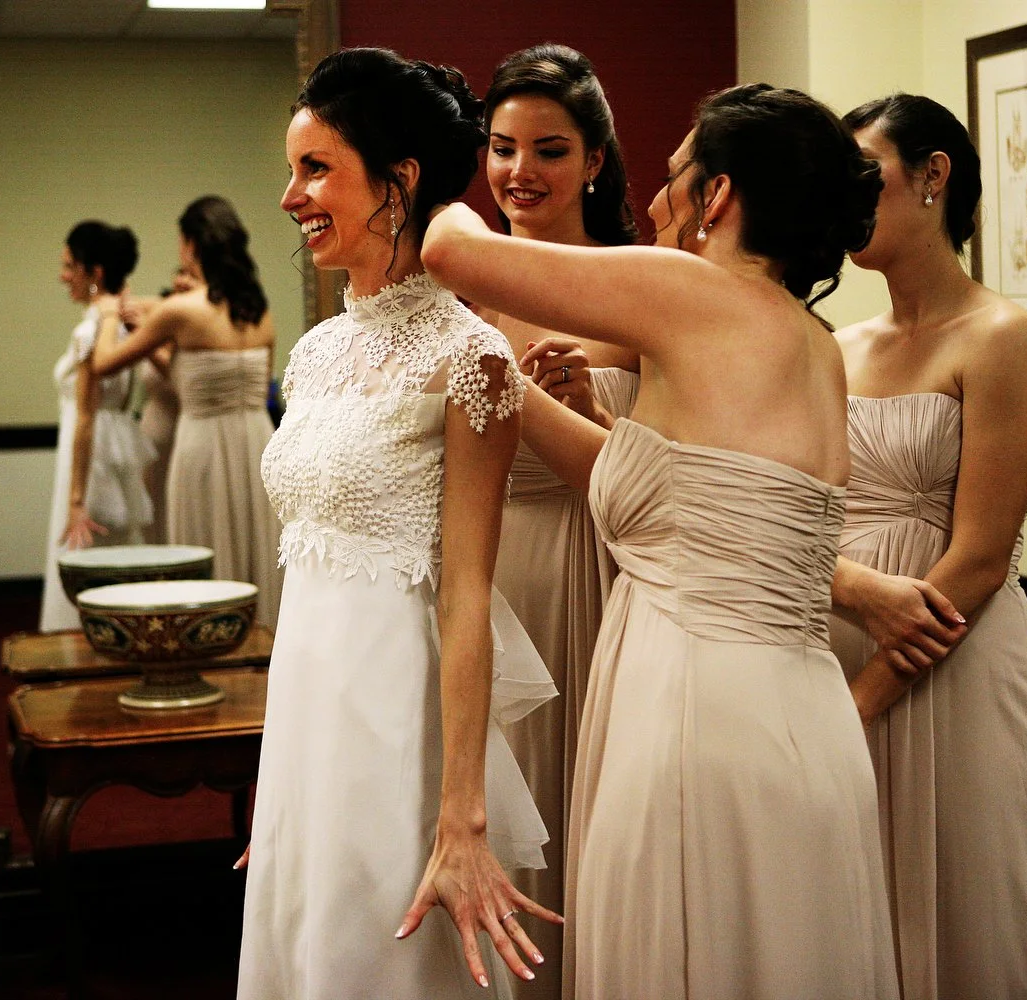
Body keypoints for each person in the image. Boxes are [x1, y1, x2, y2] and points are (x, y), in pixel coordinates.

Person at [424, 84, 899, 999]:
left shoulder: (691, 289)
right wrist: (521, 390)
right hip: (802, 717)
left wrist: (430, 164)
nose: (652, 202)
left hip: (694, 709)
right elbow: (660, 492)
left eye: (675, 176)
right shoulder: (814, 343)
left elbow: (453, 251)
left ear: (717, 198)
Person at [238, 48, 560, 999]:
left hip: (400, 731)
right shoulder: (315, 354)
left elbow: (466, 596)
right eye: (292, 170)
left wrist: (461, 819)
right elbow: (308, 575)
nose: (291, 195)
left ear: (401, 180)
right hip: (310, 722)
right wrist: (282, 766)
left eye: (316, 168)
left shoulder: (472, 360)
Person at [828, 93, 1027, 1000]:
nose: (846, 193)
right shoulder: (840, 348)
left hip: (952, 656)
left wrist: (861, 700)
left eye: (866, 171)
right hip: (842, 633)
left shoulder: (1001, 335)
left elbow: (982, 555)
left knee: (974, 902)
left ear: (934, 174)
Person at [477, 43, 640, 997]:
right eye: (501, 148)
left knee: (600, 801)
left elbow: (676, 466)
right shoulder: (455, 290)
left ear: (594, 161)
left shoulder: (637, 286)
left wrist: (588, 412)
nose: (520, 172)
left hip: (613, 568)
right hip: (493, 572)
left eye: (548, 149)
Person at [90, 196, 282, 627]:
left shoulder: (181, 311)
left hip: (203, 446)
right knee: (256, 545)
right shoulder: (259, 310)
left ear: (192, 244)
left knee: (205, 547)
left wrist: (107, 317)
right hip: (259, 441)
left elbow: (105, 363)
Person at [38, 221, 153, 631]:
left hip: (90, 462)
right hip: (109, 451)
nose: (63, 276)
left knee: (88, 564)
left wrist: (74, 501)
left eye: (70, 266)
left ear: (96, 272)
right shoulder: (119, 324)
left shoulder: (92, 330)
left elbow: (85, 416)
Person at [121, 264, 200, 543]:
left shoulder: (204, 323)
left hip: (191, 430)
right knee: (155, 513)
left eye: (192, 274)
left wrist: (141, 338)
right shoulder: (163, 317)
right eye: (180, 272)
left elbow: (178, 375)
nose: (182, 280)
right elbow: (128, 304)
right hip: (157, 430)